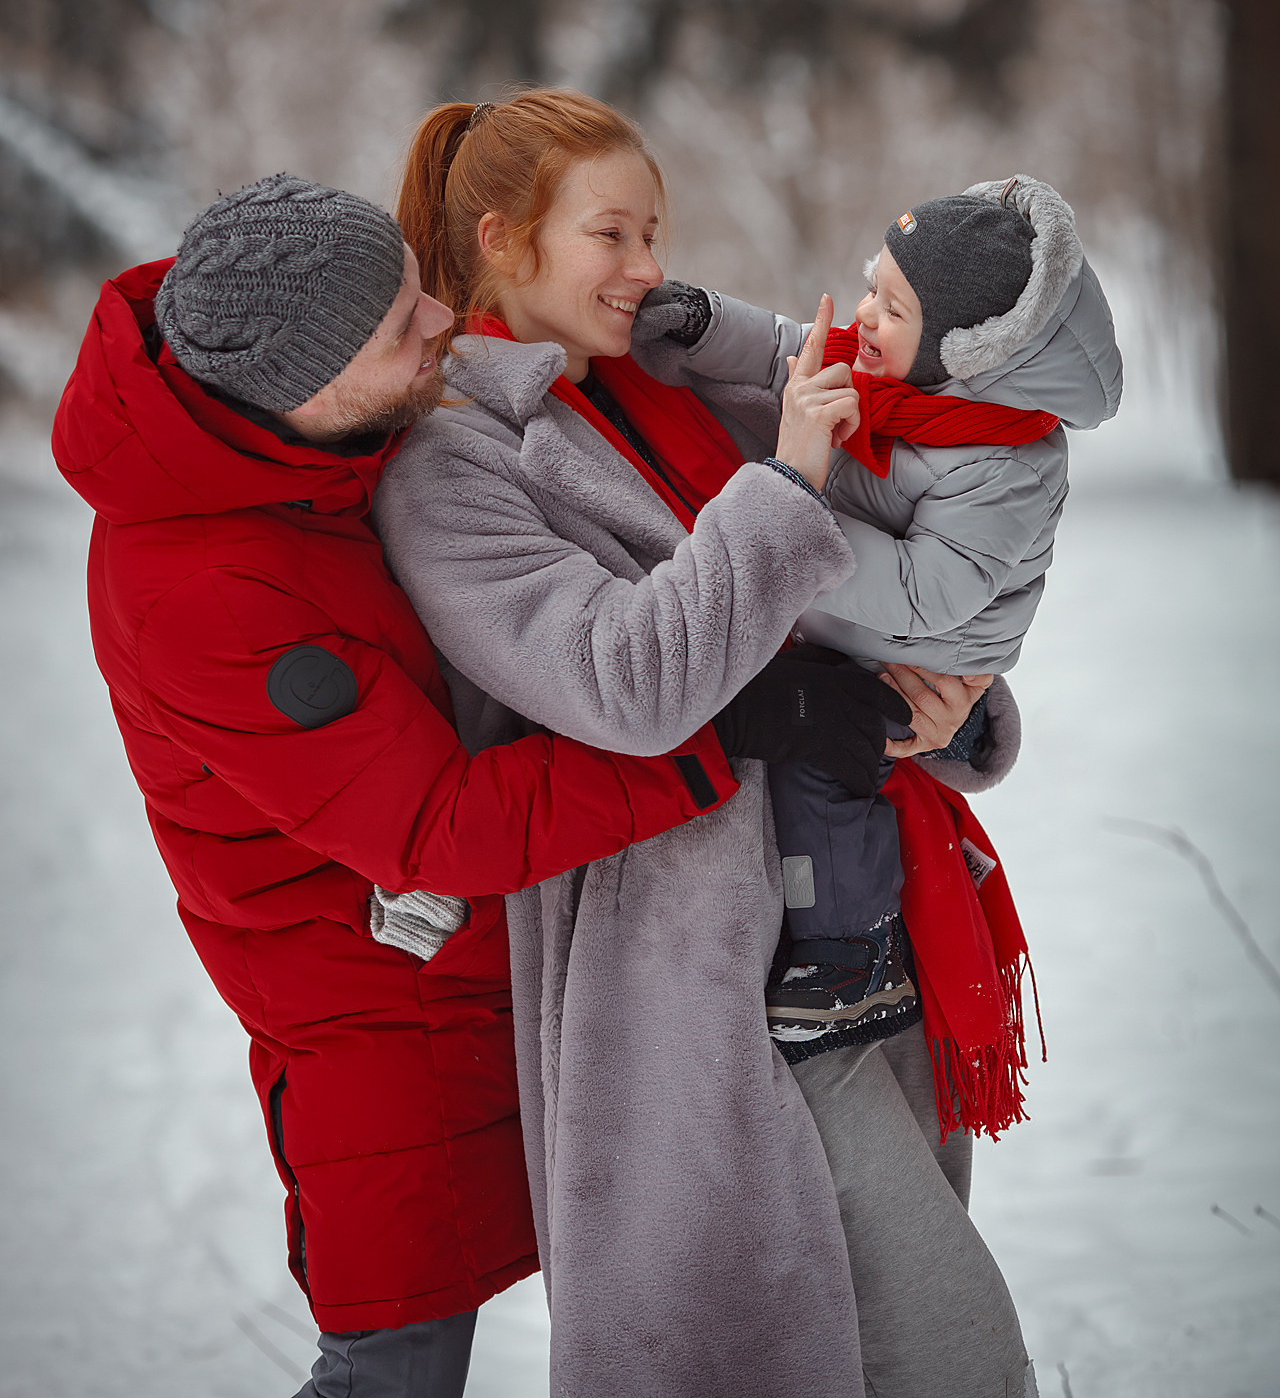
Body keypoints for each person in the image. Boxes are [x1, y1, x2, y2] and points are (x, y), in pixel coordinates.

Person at [50, 170, 902, 1398]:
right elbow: (437, 825)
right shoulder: (208, 592)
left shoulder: (293, 430)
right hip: (383, 1016)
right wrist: (724, 730)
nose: (442, 321)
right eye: (405, 326)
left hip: (492, 964)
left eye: (415, 287)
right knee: (393, 1368)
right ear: (305, 388)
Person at [375, 89, 1038, 1398]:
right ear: (507, 242)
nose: (650, 267)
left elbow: (866, 601)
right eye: (611, 235)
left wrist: (953, 707)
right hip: (690, 979)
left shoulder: (681, 393)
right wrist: (787, 476)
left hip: (860, 926)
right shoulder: (455, 468)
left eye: (656, 231)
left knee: (903, 1349)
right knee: (930, 1354)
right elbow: (624, 684)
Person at [634, 178, 1122, 1068]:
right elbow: (798, 350)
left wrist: (796, 509)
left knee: (822, 773)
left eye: (890, 305)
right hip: (867, 634)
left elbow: (925, 593)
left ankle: (851, 956)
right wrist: (706, 326)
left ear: (967, 351)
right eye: (872, 284)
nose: (865, 313)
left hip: (921, 667)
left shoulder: (1004, 462)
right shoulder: (908, 373)